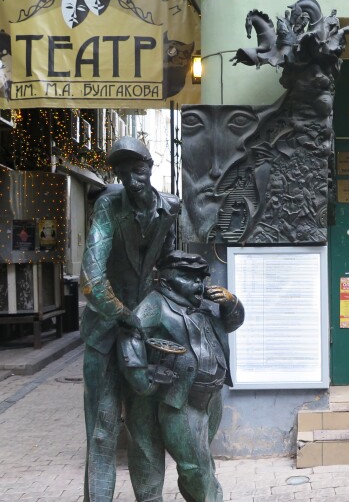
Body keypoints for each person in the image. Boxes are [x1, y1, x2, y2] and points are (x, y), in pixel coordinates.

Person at [79, 136, 181, 502]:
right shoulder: (107, 206)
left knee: (145, 432)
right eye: (123, 174)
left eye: (138, 171)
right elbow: (91, 279)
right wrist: (124, 314)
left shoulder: (170, 208)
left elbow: (171, 266)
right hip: (106, 330)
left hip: (146, 333)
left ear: (150, 168)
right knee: (103, 431)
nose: (132, 181)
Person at [119, 251, 244, 502]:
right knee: (194, 466)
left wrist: (232, 303)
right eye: (189, 277)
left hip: (211, 397)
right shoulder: (157, 304)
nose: (199, 284)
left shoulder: (201, 306)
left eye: (201, 278)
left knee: (201, 459)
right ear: (165, 281)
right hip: (180, 398)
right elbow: (131, 333)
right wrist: (141, 377)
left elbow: (231, 324)